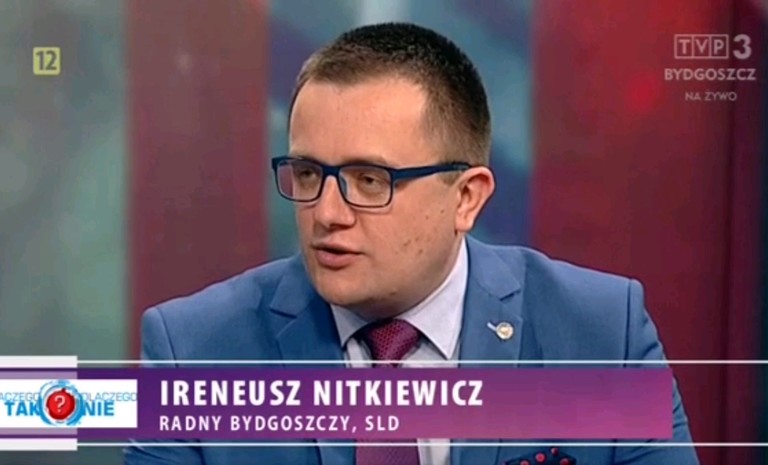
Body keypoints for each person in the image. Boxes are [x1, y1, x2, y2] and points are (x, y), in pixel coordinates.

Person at [124, 22, 699, 465]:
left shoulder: (603, 332)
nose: (326, 214)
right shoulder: (192, 350)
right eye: (308, 174)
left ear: (467, 198)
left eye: (370, 181)